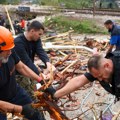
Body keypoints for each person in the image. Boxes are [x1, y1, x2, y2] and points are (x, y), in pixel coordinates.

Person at [0, 26, 45, 120]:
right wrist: (21, 109)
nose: (10, 52)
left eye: (10, 49)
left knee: (35, 114)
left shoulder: (9, 52)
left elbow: (22, 67)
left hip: (15, 92)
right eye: (6, 50)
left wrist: (40, 80)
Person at [45, 52, 120, 102]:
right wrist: (56, 94)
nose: (100, 79)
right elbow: (78, 81)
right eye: (97, 77)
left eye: (100, 76)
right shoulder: (100, 69)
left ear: (107, 66)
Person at [14, 20, 56, 96]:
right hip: (19, 74)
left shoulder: (36, 39)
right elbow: (26, 61)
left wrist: (47, 62)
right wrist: (39, 74)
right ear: (32, 31)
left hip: (30, 70)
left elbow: (40, 51)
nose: (40, 36)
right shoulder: (18, 42)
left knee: (35, 89)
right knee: (28, 94)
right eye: (39, 34)